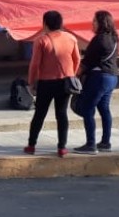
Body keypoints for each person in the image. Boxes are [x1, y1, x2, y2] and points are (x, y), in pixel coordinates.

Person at [24, 10, 81, 158]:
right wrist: (72, 74)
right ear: (61, 23)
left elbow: (35, 64)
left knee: (39, 114)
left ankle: (31, 145)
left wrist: (31, 82)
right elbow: (77, 60)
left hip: (46, 83)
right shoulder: (71, 38)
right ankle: (62, 147)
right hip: (65, 82)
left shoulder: (41, 40)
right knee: (62, 114)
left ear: (45, 23)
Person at [73, 10, 119, 155]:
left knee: (87, 108)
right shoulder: (114, 39)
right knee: (104, 109)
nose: (92, 23)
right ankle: (106, 142)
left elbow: (87, 62)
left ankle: (90, 144)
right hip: (112, 77)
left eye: (94, 21)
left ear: (101, 23)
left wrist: (74, 75)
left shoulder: (98, 40)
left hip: (99, 78)